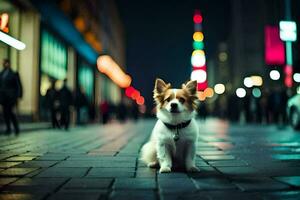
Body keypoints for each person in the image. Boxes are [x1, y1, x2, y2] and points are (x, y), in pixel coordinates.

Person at [0, 59, 22, 135]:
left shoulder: (14, 74)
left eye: (5, 63)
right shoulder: (1, 74)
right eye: (3, 63)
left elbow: (18, 86)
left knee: (11, 113)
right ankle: (8, 129)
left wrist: (18, 96)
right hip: (3, 98)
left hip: (11, 97)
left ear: (8, 63)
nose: (4, 64)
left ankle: (16, 128)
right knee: (5, 113)